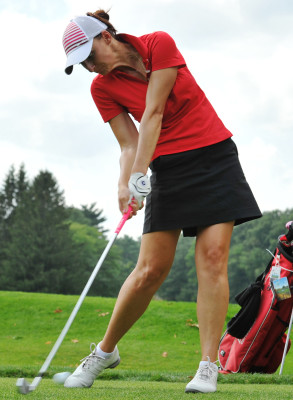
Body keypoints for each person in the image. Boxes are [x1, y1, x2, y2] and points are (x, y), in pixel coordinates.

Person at [62, 9, 262, 394]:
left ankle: (207, 365)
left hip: (213, 156)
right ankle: (104, 352)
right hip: (168, 169)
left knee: (213, 259)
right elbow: (129, 142)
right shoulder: (101, 88)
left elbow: (153, 113)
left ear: (105, 37)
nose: (88, 67)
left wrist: (140, 173)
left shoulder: (159, 44)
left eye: (88, 56)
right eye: (80, 64)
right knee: (150, 269)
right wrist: (126, 184)